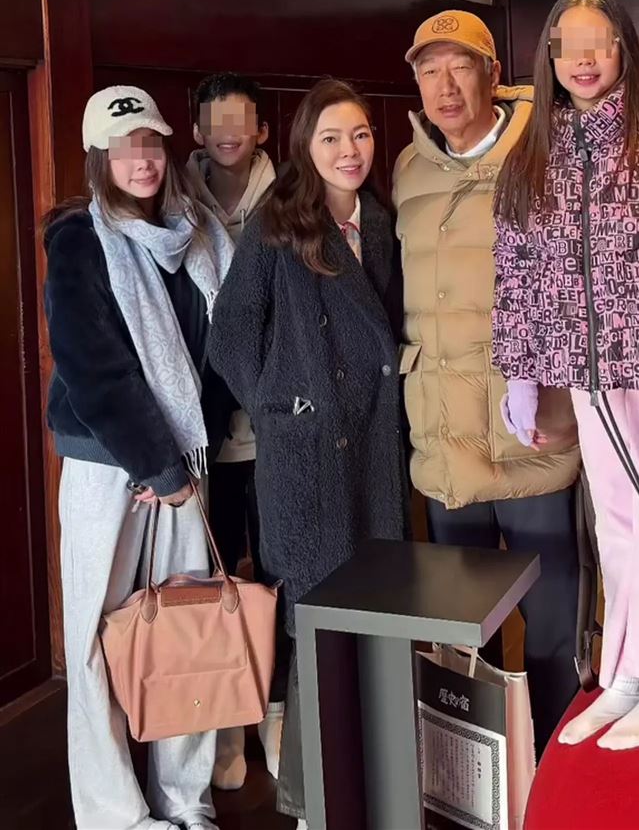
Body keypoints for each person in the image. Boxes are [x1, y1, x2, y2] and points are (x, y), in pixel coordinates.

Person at [393, 9, 639, 752]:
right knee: (617, 522)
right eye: (566, 47)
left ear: (622, 50)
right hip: (589, 375)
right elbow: (520, 274)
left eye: (596, 45)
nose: (582, 61)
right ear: (549, 56)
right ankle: (630, 671)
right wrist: (520, 373)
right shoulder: (542, 151)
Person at [207, 79, 407, 828]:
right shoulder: (279, 222)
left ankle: (371, 778)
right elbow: (231, 333)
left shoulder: (380, 220)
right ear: (303, 147)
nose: (349, 151)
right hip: (305, 453)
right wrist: (282, 402)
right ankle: (314, 797)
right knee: (314, 613)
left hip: (373, 444)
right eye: (331, 138)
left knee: (374, 605)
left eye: (360, 134)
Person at [44, 86, 234, 830]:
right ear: (99, 159)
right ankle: (116, 813)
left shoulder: (195, 235)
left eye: (150, 143)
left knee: (186, 628)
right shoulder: (78, 239)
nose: (142, 160)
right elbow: (94, 369)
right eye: (124, 149)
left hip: (185, 459)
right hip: (110, 465)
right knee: (97, 637)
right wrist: (161, 470)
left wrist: (181, 465)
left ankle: (185, 799)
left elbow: (214, 356)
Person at [188, 72, 287, 790]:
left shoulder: (288, 200)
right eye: (214, 125)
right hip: (203, 426)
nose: (228, 136)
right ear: (197, 133)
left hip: (277, 422)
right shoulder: (172, 203)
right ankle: (226, 718)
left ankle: (274, 713)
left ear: (261, 131)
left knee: (278, 572)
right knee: (216, 576)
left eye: (240, 123)